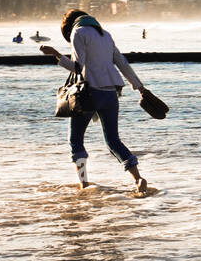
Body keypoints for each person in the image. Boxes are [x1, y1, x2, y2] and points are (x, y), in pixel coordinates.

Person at [39, 10, 151, 193]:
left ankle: (83, 184)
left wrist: (56, 55)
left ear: (68, 28)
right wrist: (140, 88)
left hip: (89, 93)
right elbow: (123, 64)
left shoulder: (78, 32)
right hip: (111, 94)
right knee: (114, 141)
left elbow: (77, 67)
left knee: (75, 140)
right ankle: (138, 179)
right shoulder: (105, 35)